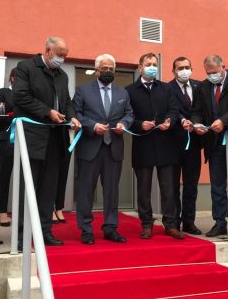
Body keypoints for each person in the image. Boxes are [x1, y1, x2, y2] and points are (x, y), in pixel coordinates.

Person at [13, 37, 81, 247]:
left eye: (65, 56)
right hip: (32, 138)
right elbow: (20, 96)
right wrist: (47, 111)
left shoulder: (62, 75)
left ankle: (44, 232)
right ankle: (22, 235)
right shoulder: (26, 67)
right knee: (28, 188)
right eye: (60, 55)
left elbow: (67, 102)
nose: (62, 59)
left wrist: (72, 117)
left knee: (48, 189)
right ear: (48, 50)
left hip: (55, 138)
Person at [188, 55, 228, 240]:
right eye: (208, 73)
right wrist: (197, 124)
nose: (211, 76)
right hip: (214, 144)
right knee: (217, 186)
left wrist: (223, 121)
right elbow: (196, 111)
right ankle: (220, 222)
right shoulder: (203, 87)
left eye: (214, 72)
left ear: (223, 67)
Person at [73, 54, 134, 245]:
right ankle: (86, 229)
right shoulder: (83, 90)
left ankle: (110, 228)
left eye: (111, 69)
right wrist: (92, 126)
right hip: (90, 147)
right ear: (97, 70)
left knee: (111, 191)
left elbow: (129, 114)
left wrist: (124, 124)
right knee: (86, 191)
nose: (108, 71)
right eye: (104, 68)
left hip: (113, 148)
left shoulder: (122, 92)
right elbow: (76, 114)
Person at [125, 53, 184, 240]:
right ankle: (146, 224)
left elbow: (174, 110)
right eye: (148, 64)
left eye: (154, 64)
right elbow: (126, 116)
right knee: (143, 189)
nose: (152, 67)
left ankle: (171, 224)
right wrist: (139, 124)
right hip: (143, 145)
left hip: (166, 145)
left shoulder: (167, 88)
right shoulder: (129, 91)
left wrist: (170, 121)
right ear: (140, 67)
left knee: (168, 188)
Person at [168, 57, 203, 235]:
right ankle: (174, 222)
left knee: (191, 185)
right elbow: (170, 110)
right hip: (173, 143)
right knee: (173, 185)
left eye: (187, 67)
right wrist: (182, 120)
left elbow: (203, 109)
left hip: (194, 143)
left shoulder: (199, 86)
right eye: (180, 68)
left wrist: (198, 124)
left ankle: (189, 222)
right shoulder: (167, 88)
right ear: (174, 71)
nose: (184, 70)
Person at [0, 67, 16, 227]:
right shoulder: (2, 92)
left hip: (27, 139)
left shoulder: (29, 94)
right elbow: (0, 114)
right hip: (6, 139)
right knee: (5, 175)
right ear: (12, 78)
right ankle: (2, 212)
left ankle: (23, 212)